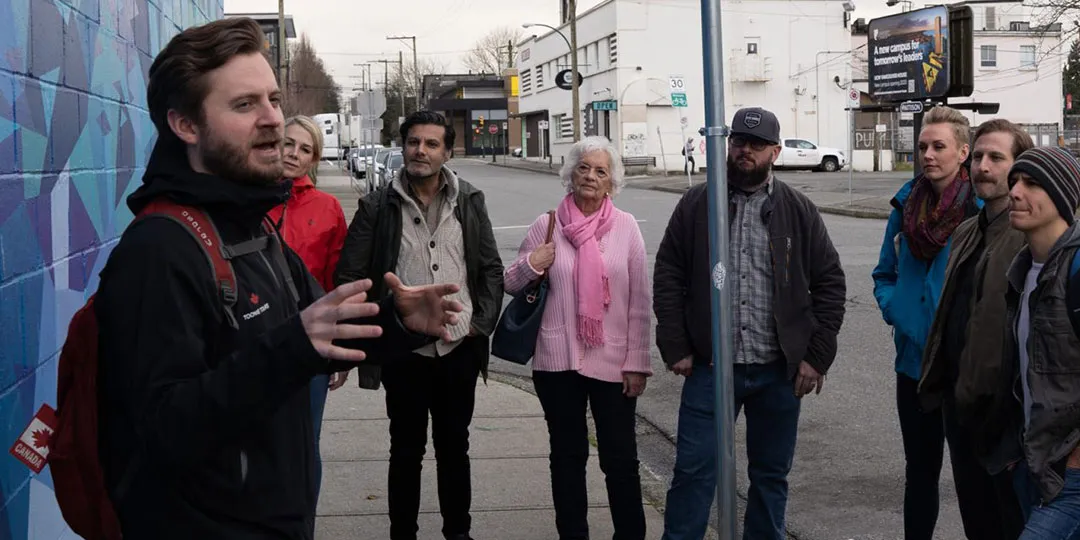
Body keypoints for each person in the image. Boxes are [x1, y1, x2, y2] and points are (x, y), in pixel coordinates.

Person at [94, 18, 465, 539]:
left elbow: (321, 329)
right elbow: (158, 430)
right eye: (245, 105)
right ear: (186, 126)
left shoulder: (254, 228)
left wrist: (398, 321)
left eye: (272, 99)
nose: (273, 120)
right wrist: (293, 347)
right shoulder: (159, 251)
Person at [656, 107, 847, 540]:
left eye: (757, 145)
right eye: (739, 141)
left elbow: (831, 284)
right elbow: (668, 274)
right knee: (693, 472)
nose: (745, 151)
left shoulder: (798, 210)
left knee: (770, 476)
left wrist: (816, 357)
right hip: (709, 368)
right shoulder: (697, 204)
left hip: (777, 372)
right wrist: (675, 344)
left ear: (775, 152)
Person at [334, 110, 504, 540]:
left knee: (454, 449)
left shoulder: (469, 200)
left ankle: (458, 533)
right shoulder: (377, 206)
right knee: (405, 450)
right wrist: (386, 321)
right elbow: (351, 277)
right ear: (402, 146)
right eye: (413, 142)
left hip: (457, 347)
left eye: (431, 144)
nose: (420, 151)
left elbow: (490, 269)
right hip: (403, 351)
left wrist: (477, 326)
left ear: (447, 152)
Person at [504, 136, 652, 540]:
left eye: (600, 170)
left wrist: (638, 363)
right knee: (567, 457)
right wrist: (533, 264)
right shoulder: (546, 225)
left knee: (620, 459)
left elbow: (639, 302)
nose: (590, 176)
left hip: (614, 364)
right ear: (570, 173)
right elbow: (510, 284)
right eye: (583, 167)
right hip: (556, 362)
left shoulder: (626, 230)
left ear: (611, 182)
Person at [917, 119, 1032, 540]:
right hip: (960, 408)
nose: (982, 166)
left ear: (1021, 168)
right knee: (978, 525)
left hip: (1005, 420)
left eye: (996, 158)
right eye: (979, 156)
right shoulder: (968, 231)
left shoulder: (1029, 236)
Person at [872, 105, 981, 540]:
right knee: (920, 472)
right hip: (914, 365)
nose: (928, 155)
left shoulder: (980, 210)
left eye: (939, 146)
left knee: (972, 476)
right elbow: (884, 273)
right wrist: (895, 307)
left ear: (962, 152)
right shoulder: (905, 205)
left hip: (963, 368)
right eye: (922, 146)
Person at [991, 146, 1080, 538]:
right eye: (1014, 182)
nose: (1014, 191)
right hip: (1034, 463)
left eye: (1031, 183)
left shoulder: (1076, 270)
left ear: (1061, 196)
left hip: (1071, 473)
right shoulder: (1023, 270)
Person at [266, 114, 350, 517]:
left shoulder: (328, 207)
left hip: (310, 340)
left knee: (303, 444)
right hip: (252, 336)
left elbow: (336, 281)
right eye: (289, 144)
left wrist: (339, 348)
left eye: (305, 149)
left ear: (314, 157)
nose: (294, 155)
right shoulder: (246, 196)